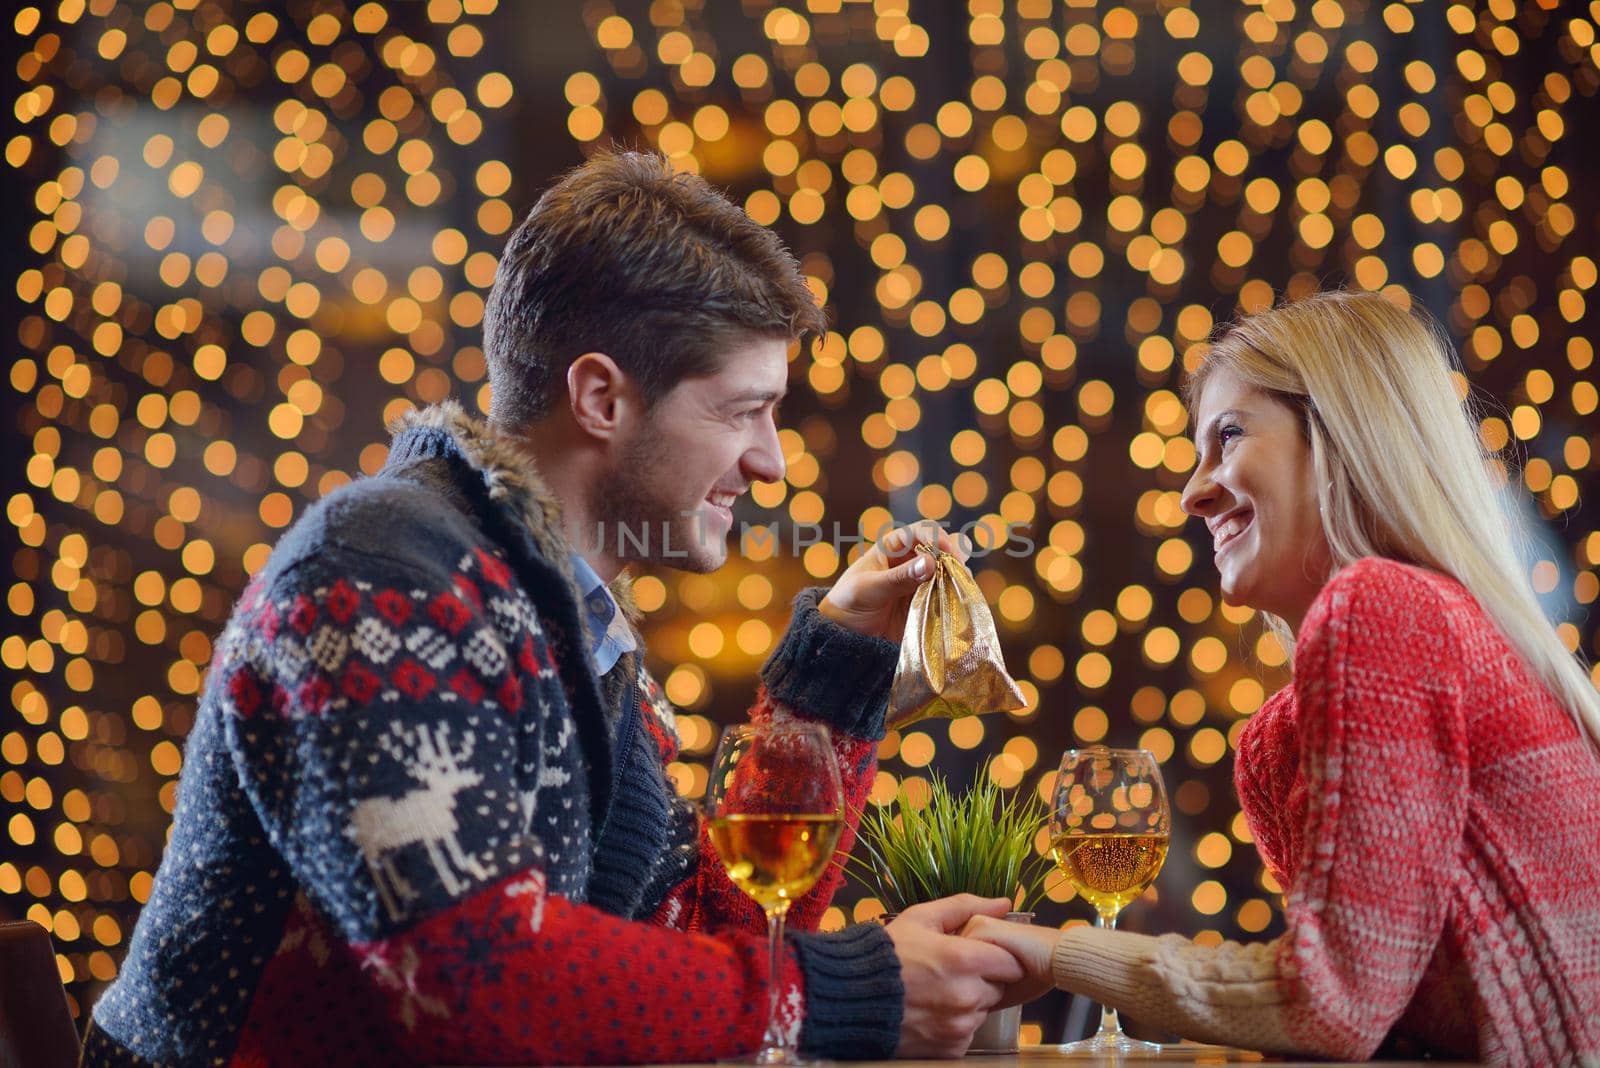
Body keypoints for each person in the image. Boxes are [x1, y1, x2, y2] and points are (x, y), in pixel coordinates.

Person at [84, 151, 1024, 1066]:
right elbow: (477, 986)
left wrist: (834, 670)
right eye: (742, 412)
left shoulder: (571, 623)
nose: (771, 461)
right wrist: (846, 994)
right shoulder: (381, 581)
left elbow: (688, 935)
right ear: (602, 397)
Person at [964, 290, 1600, 1066]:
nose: (1192, 494)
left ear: (1342, 435)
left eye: (1228, 437)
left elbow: (1328, 1006)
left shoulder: (1385, 609)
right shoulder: (1280, 737)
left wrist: (1054, 953)